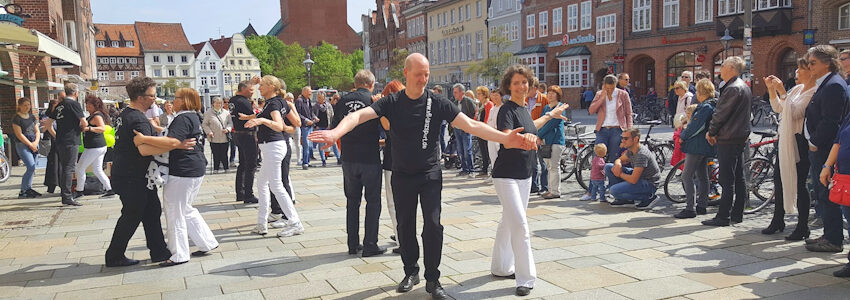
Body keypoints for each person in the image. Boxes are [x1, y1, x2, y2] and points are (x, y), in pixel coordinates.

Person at [309, 53, 538, 300]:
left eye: (426, 74)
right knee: (405, 226)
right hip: (402, 174)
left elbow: (470, 125)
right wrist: (336, 133)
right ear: (406, 74)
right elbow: (358, 116)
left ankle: (433, 279)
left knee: (433, 226)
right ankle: (411, 271)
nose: (423, 79)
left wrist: (504, 138)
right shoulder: (392, 101)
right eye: (419, 74)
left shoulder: (437, 102)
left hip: (429, 174)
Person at [490, 65, 568, 296]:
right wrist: (528, 137)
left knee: (508, 221)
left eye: (524, 82)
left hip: (525, 173)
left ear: (530, 85)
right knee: (520, 225)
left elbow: (533, 125)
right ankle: (526, 278)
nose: (521, 86)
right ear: (508, 86)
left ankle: (500, 266)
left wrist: (549, 115)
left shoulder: (525, 109)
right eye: (516, 83)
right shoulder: (506, 110)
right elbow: (507, 140)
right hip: (506, 175)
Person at [105, 76, 194, 267]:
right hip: (132, 177)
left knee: (151, 211)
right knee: (131, 215)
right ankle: (114, 255)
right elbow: (145, 149)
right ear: (140, 97)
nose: (155, 99)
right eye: (152, 95)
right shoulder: (137, 119)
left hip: (132, 175)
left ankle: (159, 251)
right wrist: (177, 145)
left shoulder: (125, 115)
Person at [134, 88, 218, 267]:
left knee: (174, 212)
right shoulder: (194, 117)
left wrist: (143, 139)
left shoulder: (182, 118)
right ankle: (207, 242)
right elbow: (176, 141)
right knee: (186, 209)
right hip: (195, 168)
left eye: (177, 97)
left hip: (183, 170)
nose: (173, 100)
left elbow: (171, 141)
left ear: (185, 100)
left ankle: (179, 254)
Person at [331, 70, 386, 257]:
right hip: (369, 157)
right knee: (373, 201)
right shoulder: (373, 101)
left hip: (348, 157)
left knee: (352, 202)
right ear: (371, 84)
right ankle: (370, 243)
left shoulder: (342, 102)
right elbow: (385, 128)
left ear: (355, 83)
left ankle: (352, 244)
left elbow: (334, 128)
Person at [760, 58, 816, 239]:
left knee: (799, 183)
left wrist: (782, 91)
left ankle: (802, 226)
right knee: (779, 179)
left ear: (810, 71)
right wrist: (771, 89)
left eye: (800, 70)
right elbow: (779, 108)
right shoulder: (798, 89)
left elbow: (795, 112)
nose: (797, 73)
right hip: (785, 140)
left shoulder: (813, 92)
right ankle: (778, 219)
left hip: (799, 141)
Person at [805, 45, 850, 252]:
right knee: (823, 193)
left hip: (824, 148)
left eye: (813, 62)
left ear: (827, 63)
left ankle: (833, 239)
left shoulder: (834, 85)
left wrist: (814, 142)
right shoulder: (826, 83)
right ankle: (829, 234)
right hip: (821, 147)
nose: (809, 66)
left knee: (827, 193)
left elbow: (831, 121)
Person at [246, 76, 302, 237]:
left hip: (273, 146)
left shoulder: (275, 103)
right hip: (272, 146)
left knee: (276, 185)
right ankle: (262, 223)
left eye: (262, 85)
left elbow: (278, 126)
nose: (259, 88)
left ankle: (295, 222)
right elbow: (295, 123)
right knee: (262, 182)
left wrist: (261, 120)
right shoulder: (278, 102)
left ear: (271, 86)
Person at [703, 56, 753, 227]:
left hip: (729, 137)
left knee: (727, 179)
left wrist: (711, 131)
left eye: (723, 66)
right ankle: (737, 214)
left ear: (731, 68)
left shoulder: (732, 88)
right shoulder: (742, 86)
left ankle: (723, 215)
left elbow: (721, 114)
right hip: (737, 136)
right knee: (738, 176)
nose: (720, 69)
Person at [674, 79, 718, 219]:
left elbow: (695, 126)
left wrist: (683, 136)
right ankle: (702, 205)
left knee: (687, 175)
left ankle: (690, 208)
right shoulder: (712, 105)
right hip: (705, 145)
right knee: (703, 175)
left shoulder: (705, 107)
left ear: (700, 92)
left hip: (697, 145)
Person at [44, 83, 87, 206]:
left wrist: (56, 136)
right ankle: (67, 196)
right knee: (69, 168)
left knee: (64, 168)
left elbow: (48, 124)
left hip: (61, 141)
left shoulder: (59, 105)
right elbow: (83, 122)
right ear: (75, 93)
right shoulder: (74, 104)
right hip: (71, 140)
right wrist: (83, 128)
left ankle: (65, 194)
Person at [378, 80, 405, 254]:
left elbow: (388, 126)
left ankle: (402, 239)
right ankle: (401, 233)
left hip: (393, 160)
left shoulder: (392, 110)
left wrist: (378, 107)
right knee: (404, 202)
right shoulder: (408, 106)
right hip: (406, 159)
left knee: (393, 202)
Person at [605, 128, 662, 209]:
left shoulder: (641, 154)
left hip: (649, 183)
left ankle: (648, 197)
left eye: (626, 138)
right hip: (639, 177)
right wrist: (618, 164)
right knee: (608, 167)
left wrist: (620, 174)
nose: (622, 141)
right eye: (622, 138)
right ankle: (624, 199)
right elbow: (620, 159)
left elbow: (633, 180)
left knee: (613, 190)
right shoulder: (631, 149)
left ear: (636, 139)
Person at [75, 95, 114, 198]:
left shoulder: (97, 116)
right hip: (98, 146)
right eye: (86, 103)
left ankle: (79, 191)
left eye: (88, 104)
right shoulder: (93, 115)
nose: (86, 106)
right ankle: (109, 189)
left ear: (94, 105)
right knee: (97, 169)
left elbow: (102, 128)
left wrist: (89, 129)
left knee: (80, 168)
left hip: (94, 146)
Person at [589, 75, 634, 162]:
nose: (609, 90)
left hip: (617, 130)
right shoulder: (599, 94)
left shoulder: (623, 94)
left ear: (615, 85)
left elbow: (628, 114)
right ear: (604, 85)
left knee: (614, 157)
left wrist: (629, 130)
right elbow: (591, 110)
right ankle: (598, 175)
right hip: (602, 130)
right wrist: (602, 98)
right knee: (598, 157)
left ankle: (611, 175)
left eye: (612, 88)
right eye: (607, 88)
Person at [230, 79, 260, 204]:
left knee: (242, 164)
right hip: (248, 135)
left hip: (237, 134)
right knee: (251, 165)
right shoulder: (244, 102)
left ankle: (240, 193)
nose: (252, 92)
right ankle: (248, 194)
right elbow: (255, 116)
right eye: (251, 90)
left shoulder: (233, 100)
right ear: (243, 89)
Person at [539, 85, 568, 199]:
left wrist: (539, 135)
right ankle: (550, 189)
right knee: (548, 166)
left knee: (554, 166)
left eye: (553, 93)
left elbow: (551, 124)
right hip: (546, 141)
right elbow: (542, 122)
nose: (550, 95)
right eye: (549, 92)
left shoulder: (560, 107)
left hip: (556, 141)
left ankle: (555, 191)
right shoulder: (546, 108)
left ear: (558, 95)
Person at [12, 97, 41, 198]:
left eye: (28, 105)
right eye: (24, 105)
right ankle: (23, 190)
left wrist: (36, 142)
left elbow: (37, 131)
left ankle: (29, 188)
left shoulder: (32, 117)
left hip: (34, 143)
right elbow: (19, 134)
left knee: (33, 168)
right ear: (19, 106)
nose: (27, 107)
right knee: (31, 166)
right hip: (23, 144)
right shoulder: (17, 119)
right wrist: (30, 144)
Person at [527, 81, 548, 194]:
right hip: (529, 134)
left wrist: (541, 135)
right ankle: (533, 186)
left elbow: (547, 117)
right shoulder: (525, 100)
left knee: (543, 161)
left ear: (535, 88)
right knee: (531, 161)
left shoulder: (543, 99)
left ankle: (544, 186)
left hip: (541, 133)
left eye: (528, 88)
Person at [453, 84, 478, 177]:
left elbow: (473, 113)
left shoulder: (468, 101)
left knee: (467, 150)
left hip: (466, 129)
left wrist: (468, 123)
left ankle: (471, 170)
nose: (454, 94)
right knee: (460, 150)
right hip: (457, 129)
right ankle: (464, 169)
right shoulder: (455, 102)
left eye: (456, 92)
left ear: (462, 92)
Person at [203, 97, 233, 173]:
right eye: (216, 103)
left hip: (224, 137)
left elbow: (230, 123)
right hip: (214, 137)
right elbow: (205, 124)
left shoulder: (226, 113)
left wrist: (228, 129)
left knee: (224, 153)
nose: (218, 104)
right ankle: (216, 168)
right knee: (215, 153)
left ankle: (226, 167)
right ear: (213, 104)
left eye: (220, 103)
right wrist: (209, 132)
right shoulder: (208, 113)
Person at [314, 92, 341, 167]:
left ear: (324, 97)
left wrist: (331, 126)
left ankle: (338, 158)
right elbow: (312, 115)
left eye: (320, 97)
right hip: (320, 127)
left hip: (328, 127)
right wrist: (315, 126)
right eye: (318, 97)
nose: (319, 99)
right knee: (321, 145)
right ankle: (323, 160)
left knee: (333, 143)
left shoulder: (328, 106)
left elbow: (332, 116)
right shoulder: (315, 106)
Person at [296, 86, 318, 169]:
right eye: (309, 92)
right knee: (306, 144)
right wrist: (305, 120)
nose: (310, 93)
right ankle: (305, 163)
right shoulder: (299, 101)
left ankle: (307, 161)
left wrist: (314, 117)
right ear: (304, 92)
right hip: (304, 126)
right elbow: (297, 113)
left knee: (309, 145)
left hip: (310, 125)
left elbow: (311, 112)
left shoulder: (309, 100)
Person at [42, 98, 59, 194]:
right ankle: (51, 184)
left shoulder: (59, 116)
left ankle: (54, 183)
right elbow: (44, 129)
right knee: (52, 160)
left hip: (57, 141)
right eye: (55, 106)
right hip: (49, 140)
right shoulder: (47, 116)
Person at [475, 86, 493, 177]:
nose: (477, 95)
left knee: (488, 150)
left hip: (486, 130)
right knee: (483, 150)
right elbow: (476, 116)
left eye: (479, 94)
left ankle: (490, 169)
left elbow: (489, 117)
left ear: (484, 94)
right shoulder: (479, 104)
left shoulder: (488, 104)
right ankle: (484, 168)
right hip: (479, 130)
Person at [487, 90, 504, 173]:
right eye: (493, 96)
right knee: (492, 155)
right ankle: (494, 173)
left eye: (496, 95)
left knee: (500, 155)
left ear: (501, 96)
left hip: (499, 135)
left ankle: (501, 173)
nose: (494, 97)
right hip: (491, 134)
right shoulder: (492, 109)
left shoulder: (503, 108)